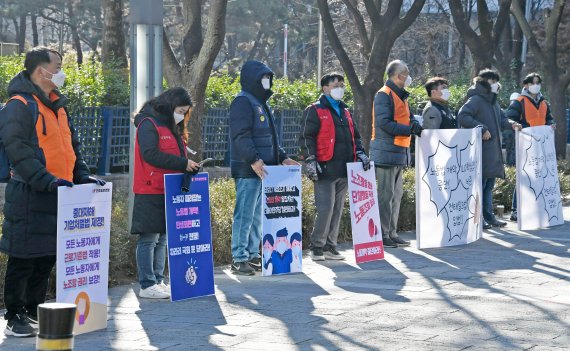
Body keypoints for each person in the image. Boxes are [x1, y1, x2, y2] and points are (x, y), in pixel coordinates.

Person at [0, 47, 105, 337]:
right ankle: (14, 315)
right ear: (40, 71)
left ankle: (35, 308)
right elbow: (18, 150)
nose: (61, 71)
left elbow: (73, 147)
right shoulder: (18, 105)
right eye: (57, 66)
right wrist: (45, 180)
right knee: (23, 256)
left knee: (46, 255)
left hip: (61, 193)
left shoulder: (57, 104)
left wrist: (81, 175)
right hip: (30, 194)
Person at [229, 60, 298, 276]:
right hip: (249, 168)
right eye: (263, 78)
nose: (267, 81)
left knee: (258, 216)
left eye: (268, 78)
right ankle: (239, 257)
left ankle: (252, 254)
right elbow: (241, 135)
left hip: (265, 169)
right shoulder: (242, 102)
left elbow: (270, 137)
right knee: (245, 214)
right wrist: (254, 159)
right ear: (252, 79)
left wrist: (283, 157)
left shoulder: (260, 102)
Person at [131, 87, 200, 299]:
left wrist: (189, 166)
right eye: (180, 110)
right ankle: (146, 283)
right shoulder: (148, 123)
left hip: (169, 188)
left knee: (162, 238)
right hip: (150, 188)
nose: (182, 114)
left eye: (185, 111)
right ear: (170, 105)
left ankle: (158, 280)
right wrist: (182, 163)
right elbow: (150, 154)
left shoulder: (172, 126)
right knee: (149, 238)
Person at [299, 72, 369, 261]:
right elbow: (306, 137)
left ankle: (331, 246)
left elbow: (355, 137)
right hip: (325, 167)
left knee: (338, 208)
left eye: (341, 84)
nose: (340, 88)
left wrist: (361, 153)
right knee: (325, 208)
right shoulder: (314, 110)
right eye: (335, 85)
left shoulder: (345, 111)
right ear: (325, 88)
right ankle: (317, 247)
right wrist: (310, 160)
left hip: (345, 167)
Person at [457, 69, 521, 229]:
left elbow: (502, 118)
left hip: (491, 151)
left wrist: (512, 123)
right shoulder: (476, 100)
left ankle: (488, 216)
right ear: (485, 82)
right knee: (480, 185)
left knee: (488, 185)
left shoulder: (493, 101)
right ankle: (479, 217)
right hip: (481, 151)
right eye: (494, 81)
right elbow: (463, 116)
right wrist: (481, 128)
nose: (497, 84)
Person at [370, 60, 422, 248]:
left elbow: (407, 116)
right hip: (386, 152)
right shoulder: (383, 94)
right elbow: (384, 123)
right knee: (386, 195)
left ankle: (392, 232)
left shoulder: (401, 95)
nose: (408, 77)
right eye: (406, 73)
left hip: (398, 151)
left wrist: (414, 124)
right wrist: (409, 129)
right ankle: (383, 233)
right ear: (398, 76)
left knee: (396, 194)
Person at [505, 73, 556, 221]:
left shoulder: (544, 102)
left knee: (539, 177)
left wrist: (552, 124)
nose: (536, 85)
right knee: (523, 177)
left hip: (541, 146)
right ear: (525, 85)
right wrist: (520, 126)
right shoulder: (519, 102)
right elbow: (509, 118)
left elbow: (549, 118)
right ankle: (516, 210)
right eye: (533, 83)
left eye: (538, 83)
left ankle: (537, 207)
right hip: (525, 145)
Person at [503, 92, 521, 167]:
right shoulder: (519, 111)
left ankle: (509, 166)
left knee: (509, 150)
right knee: (514, 149)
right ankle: (513, 166)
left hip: (506, 133)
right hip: (513, 131)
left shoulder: (505, 111)